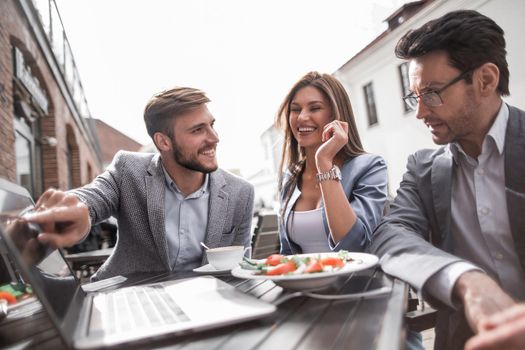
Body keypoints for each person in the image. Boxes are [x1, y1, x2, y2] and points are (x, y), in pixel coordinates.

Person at [369, 10, 525, 350]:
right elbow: (390, 235)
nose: (421, 112)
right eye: (415, 97)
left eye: (433, 94)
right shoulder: (423, 169)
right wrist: (467, 281)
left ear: (485, 80)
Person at [25, 87, 255, 280]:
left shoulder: (240, 192)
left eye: (211, 124)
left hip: (208, 303)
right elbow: (94, 197)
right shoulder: (128, 169)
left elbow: (240, 267)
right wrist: (77, 209)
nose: (214, 138)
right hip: (128, 295)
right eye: (198, 130)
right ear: (163, 141)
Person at [275, 71, 388, 254]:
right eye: (295, 109)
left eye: (314, 108)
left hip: (354, 282)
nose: (302, 117)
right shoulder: (290, 176)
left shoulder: (370, 167)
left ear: (335, 115)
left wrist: (324, 162)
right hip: (303, 281)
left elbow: (354, 246)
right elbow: (287, 253)